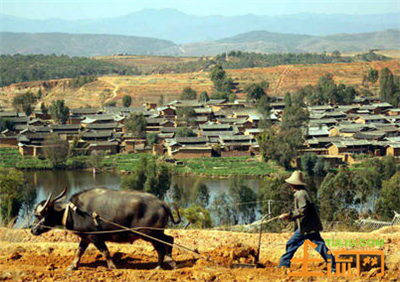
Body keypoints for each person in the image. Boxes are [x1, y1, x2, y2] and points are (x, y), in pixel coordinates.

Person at [278, 170, 336, 272]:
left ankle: (283, 265)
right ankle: (333, 266)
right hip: (310, 226)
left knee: (292, 243)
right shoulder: (302, 192)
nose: (290, 185)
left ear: (294, 184)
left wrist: (289, 215)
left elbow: (303, 210)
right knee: (320, 246)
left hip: (306, 227)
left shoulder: (301, 194)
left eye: (291, 183)